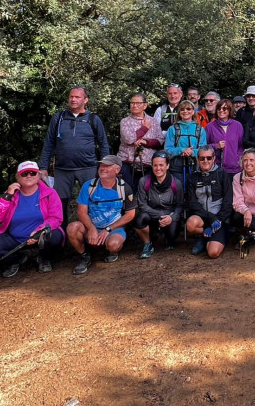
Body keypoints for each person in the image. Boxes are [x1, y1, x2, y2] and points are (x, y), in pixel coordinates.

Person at [38, 86, 111, 214]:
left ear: (85, 100)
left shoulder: (93, 119)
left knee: (92, 203)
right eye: (71, 96)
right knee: (60, 204)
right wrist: (43, 167)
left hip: (88, 168)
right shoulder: (58, 118)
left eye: (77, 97)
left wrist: (105, 167)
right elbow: (49, 143)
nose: (73, 99)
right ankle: (61, 233)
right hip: (63, 169)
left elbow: (103, 144)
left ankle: (91, 232)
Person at [0, 161, 66, 276]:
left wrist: (40, 230)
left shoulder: (50, 193)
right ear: (18, 177)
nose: (29, 176)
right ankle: (16, 259)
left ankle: (43, 258)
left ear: (38, 176)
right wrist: (6, 197)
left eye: (32, 173)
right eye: (24, 174)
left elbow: (56, 218)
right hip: (13, 238)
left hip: (40, 236)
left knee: (55, 235)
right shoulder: (10, 194)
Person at [68, 155, 136, 275]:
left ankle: (111, 251)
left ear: (117, 170)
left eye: (107, 166)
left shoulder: (124, 187)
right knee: (72, 228)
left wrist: (108, 229)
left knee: (114, 245)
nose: (102, 168)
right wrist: (91, 228)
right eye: (101, 165)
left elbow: (130, 214)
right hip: (91, 227)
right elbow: (81, 212)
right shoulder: (88, 186)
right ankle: (84, 255)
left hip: (112, 228)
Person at [184, 145, 234, 258]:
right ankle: (202, 237)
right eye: (202, 158)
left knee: (213, 253)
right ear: (197, 159)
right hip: (202, 217)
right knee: (191, 224)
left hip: (219, 220)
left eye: (209, 158)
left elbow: (228, 201)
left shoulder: (222, 174)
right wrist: (209, 217)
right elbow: (192, 203)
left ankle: (216, 236)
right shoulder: (192, 177)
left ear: (214, 159)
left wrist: (218, 219)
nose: (205, 161)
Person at [134, 151, 184, 255]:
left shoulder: (176, 183)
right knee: (140, 218)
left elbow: (180, 205)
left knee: (172, 235)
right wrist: (160, 215)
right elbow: (142, 205)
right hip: (151, 213)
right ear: (151, 166)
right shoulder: (144, 181)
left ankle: (167, 237)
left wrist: (172, 217)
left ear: (168, 165)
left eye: (161, 165)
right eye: (155, 165)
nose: (158, 168)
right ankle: (147, 243)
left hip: (169, 215)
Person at [118, 93, 165, 191]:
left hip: (148, 164)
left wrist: (145, 142)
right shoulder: (125, 121)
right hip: (128, 163)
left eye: (138, 103)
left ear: (145, 105)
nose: (134, 105)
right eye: (132, 103)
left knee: (146, 192)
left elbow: (160, 140)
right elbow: (129, 139)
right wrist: (144, 128)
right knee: (128, 192)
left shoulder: (153, 121)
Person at [163, 100, 208, 189]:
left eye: (188, 109)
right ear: (179, 112)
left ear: (193, 112)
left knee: (194, 192)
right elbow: (167, 149)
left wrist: (192, 152)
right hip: (177, 167)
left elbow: (204, 150)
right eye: (182, 109)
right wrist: (182, 150)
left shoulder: (200, 129)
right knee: (178, 191)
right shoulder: (173, 129)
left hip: (195, 166)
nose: (185, 111)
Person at [205, 98, 245, 175]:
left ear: (230, 110)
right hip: (215, 167)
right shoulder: (210, 126)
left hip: (234, 168)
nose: (221, 110)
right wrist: (216, 146)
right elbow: (204, 146)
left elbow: (241, 145)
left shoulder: (237, 125)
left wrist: (237, 158)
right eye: (219, 108)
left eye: (224, 108)